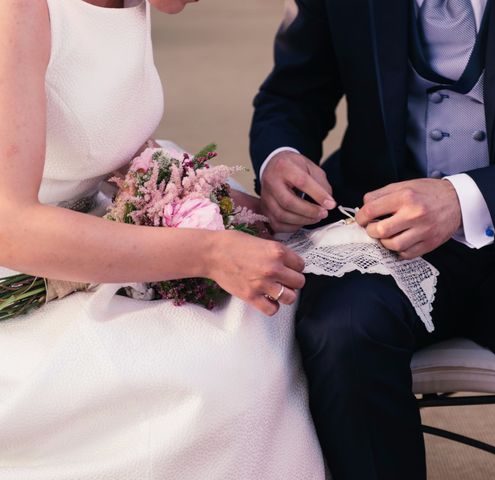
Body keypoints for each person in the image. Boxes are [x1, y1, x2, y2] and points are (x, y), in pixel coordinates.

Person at [250, 0, 495, 478]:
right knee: (340, 332)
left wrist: (461, 200)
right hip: (380, 236)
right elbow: (292, 94)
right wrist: (280, 158)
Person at [0, 1, 326, 479]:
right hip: (28, 278)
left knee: (275, 312)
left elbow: (105, 141)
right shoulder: (20, 13)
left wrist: (253, 206)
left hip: (105, 231)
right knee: (219, 369)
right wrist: (209, 252)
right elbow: (11, 228)